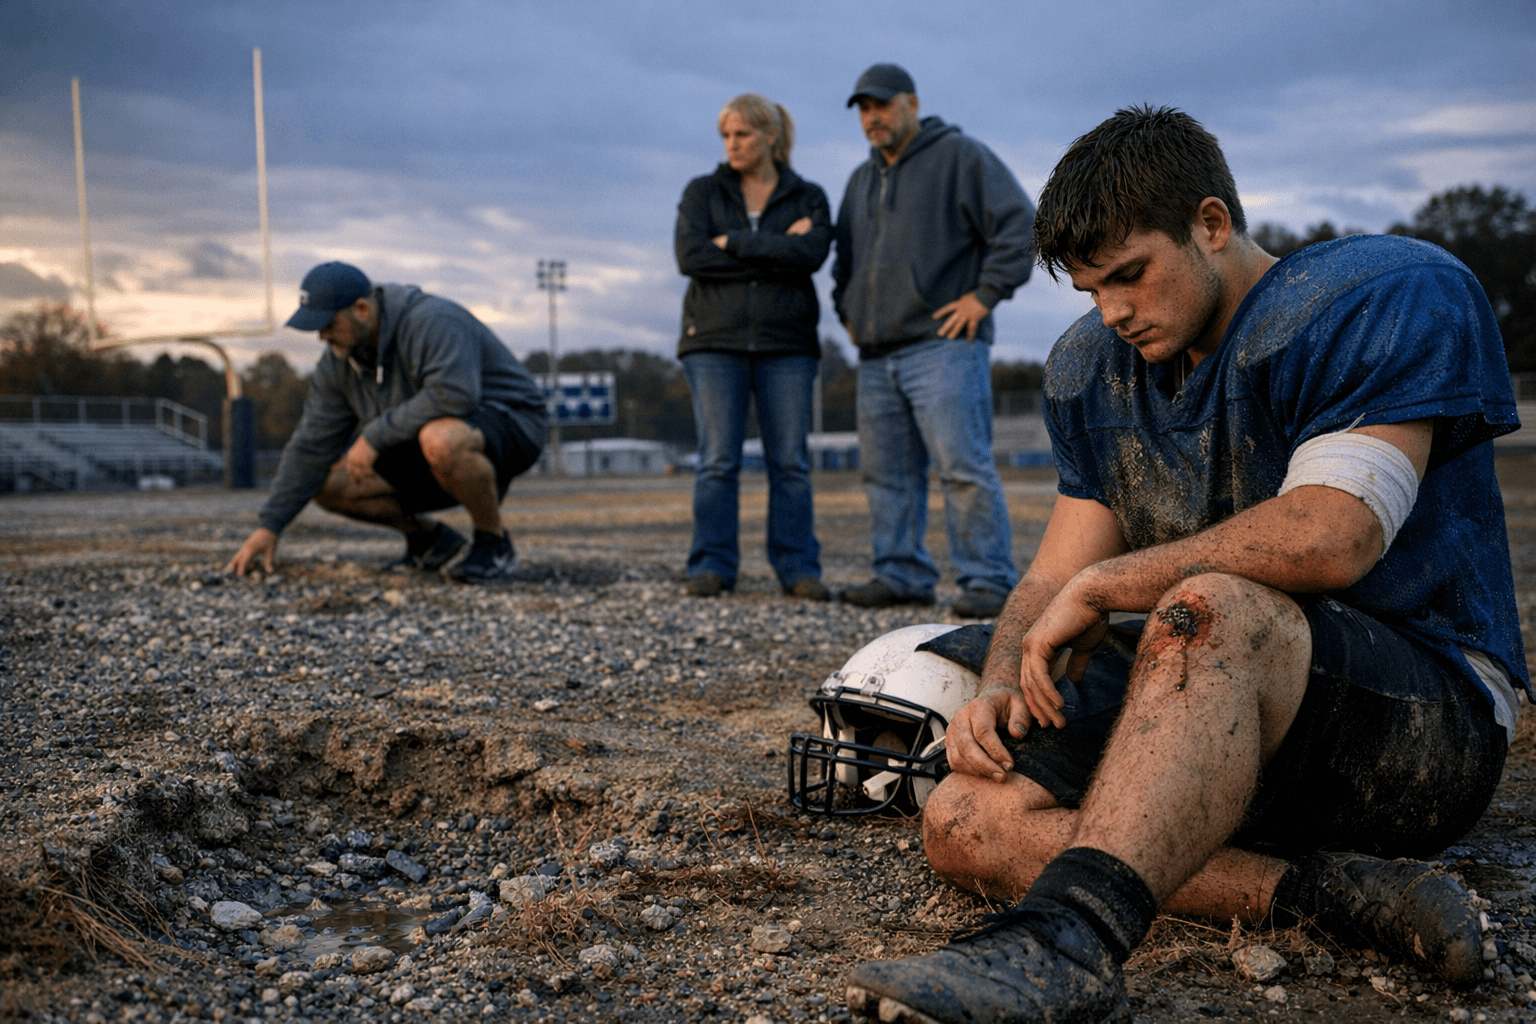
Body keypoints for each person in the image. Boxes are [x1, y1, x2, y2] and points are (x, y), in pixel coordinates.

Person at [845, 105, 1529, 1024]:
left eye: (1130, 275)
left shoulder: (1374, 293)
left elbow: (1335, 534)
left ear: (1212, 224)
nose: (1115, 312)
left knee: (1212, 604)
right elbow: (1053, 575)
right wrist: (1001, 682)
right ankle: (1329, 896)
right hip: (1214, 704)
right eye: (1091, 290)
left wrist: (1112, 586)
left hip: (1417, 716)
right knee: (967, 818)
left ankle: (1068, 945)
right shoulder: (1094, 366)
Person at [831, 63, 1035, 620]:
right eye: (863, 109)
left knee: (962, 468)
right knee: (886, 474)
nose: (872, 117)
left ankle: (988, 580)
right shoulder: (858, 180)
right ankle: (899, 574)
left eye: (882, 105)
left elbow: (1020, 227)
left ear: (912, 103)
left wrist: (984, 295)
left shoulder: (962, 157)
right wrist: (847, 311)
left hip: (942, 346)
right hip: (876, 356)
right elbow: (843, 261)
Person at [227, 262, 547, 584]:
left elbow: (454, 395)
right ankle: (432, 542)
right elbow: (311, 445)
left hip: (511, 422)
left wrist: (373, 437)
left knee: (442, 439)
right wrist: (269, 526)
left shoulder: (432, 321)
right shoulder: (338, 363)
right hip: (425, 438)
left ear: (362, 309)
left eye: (328, 324)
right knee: (327, 483)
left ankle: (493, 545)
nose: (321, 336)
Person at [675, 93, 833, 600]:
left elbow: (810, 254)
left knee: (789, 460)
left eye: (741, 134)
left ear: (769, 136)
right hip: (714, 342)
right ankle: (712, 565)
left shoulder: (807, 195)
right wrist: (774, 247)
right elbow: (691, 257)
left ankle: (798, 568)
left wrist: (734, 242)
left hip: (786, 342)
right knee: (717, 459)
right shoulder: (702, 191)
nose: (732, 144)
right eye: (726, 135)